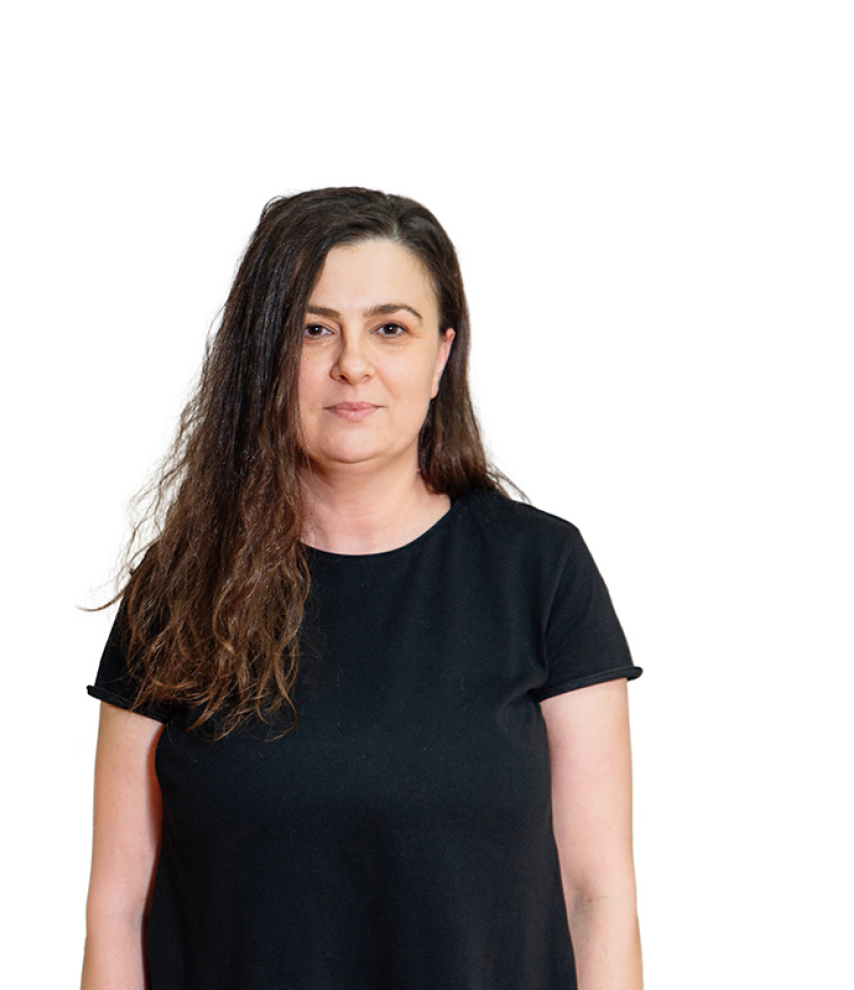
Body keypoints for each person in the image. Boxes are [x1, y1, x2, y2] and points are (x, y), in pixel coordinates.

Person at [82, 187, 643, 990]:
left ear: (441, 356)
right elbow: (117, 909)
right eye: (313, 330)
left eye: (390, 328)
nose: (352, 363)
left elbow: (598, 896)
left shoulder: (541, 572)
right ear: (263, 355)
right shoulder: (181, 587)